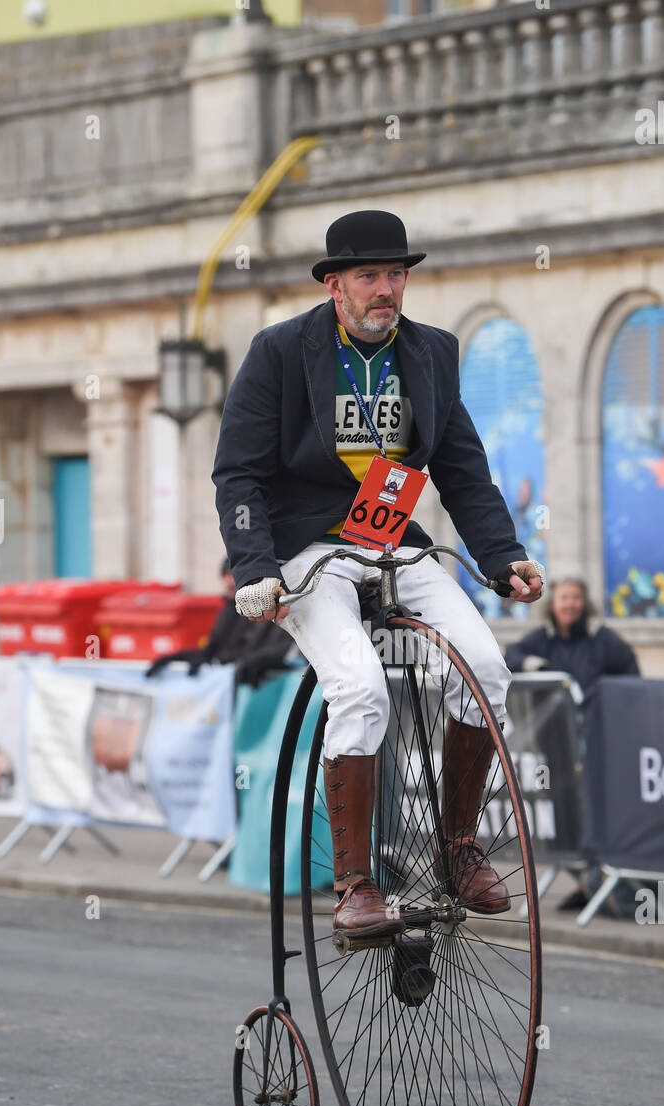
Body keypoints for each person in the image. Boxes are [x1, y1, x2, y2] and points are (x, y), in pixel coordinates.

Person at [212, 209, 545, 940]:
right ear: (335, 285)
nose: (386, 288)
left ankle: (456, 848)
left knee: (488, 668)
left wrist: (502, 555)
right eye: (369, 275)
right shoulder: (278, 352)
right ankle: (357, 884)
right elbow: (236, 473)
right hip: (307, 547)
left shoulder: (432, 353)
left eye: (396, 274)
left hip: (393, 537)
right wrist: (254, 567)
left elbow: (460, 465)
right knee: (359, 686)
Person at [145, 560, 297, 686]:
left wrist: (254, 661)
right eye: (226, 575)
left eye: (233, 576)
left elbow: (284, 651)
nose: (229, 583)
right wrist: (177, 658)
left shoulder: (270, 608)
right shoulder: (228, 610)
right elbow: (213, 651)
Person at [504, 577, 639, 697]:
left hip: (597, 721)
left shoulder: (602, 637)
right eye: (564, 598)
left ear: (584, 604)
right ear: (552, 605)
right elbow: (510, 655)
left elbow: (631, 674)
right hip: (555, 722)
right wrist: (538, 667)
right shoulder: (542, 637)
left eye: (576, 598)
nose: (570, 604)